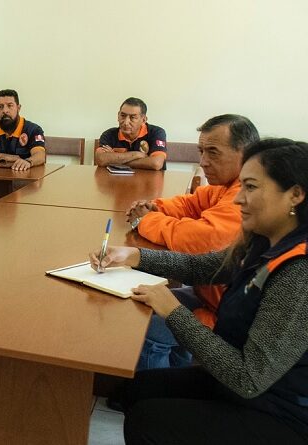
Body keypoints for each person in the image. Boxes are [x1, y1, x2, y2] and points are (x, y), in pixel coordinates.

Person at [91, 138, 308, 444]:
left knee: (149, 421)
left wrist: (173, 311)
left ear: (295, 195)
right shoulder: (264, 240)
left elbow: (248, 378)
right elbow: (204, 266)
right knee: (136, 389)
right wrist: (135, 256)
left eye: (250, 187)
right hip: (243, 387)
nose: (238, 199)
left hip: (279, 410)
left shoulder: (298, 272)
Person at [125, 114, 260, 369]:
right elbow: (191, 203)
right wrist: (156, 206)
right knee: (141, 302)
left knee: (146, 326)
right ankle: (178, 368)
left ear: (246, 153)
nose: (203, 161)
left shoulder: (244, 195)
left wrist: (146, 220)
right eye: (201, 151)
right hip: (210, 295)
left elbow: (201, 239)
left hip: (226, 316)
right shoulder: (227, 184)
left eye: (213, 152)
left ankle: (152, 386)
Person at [95, 97, 167, 171]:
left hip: (149, 178)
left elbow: (156, 163)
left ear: (143, 120)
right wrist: (137, 154)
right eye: (123, 116)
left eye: (132, 117)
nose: (126, 122)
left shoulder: (156, 132)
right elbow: (101, 159)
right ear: (118, 115)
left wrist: (114, 160)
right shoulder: (109, 134)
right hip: (117, 178)